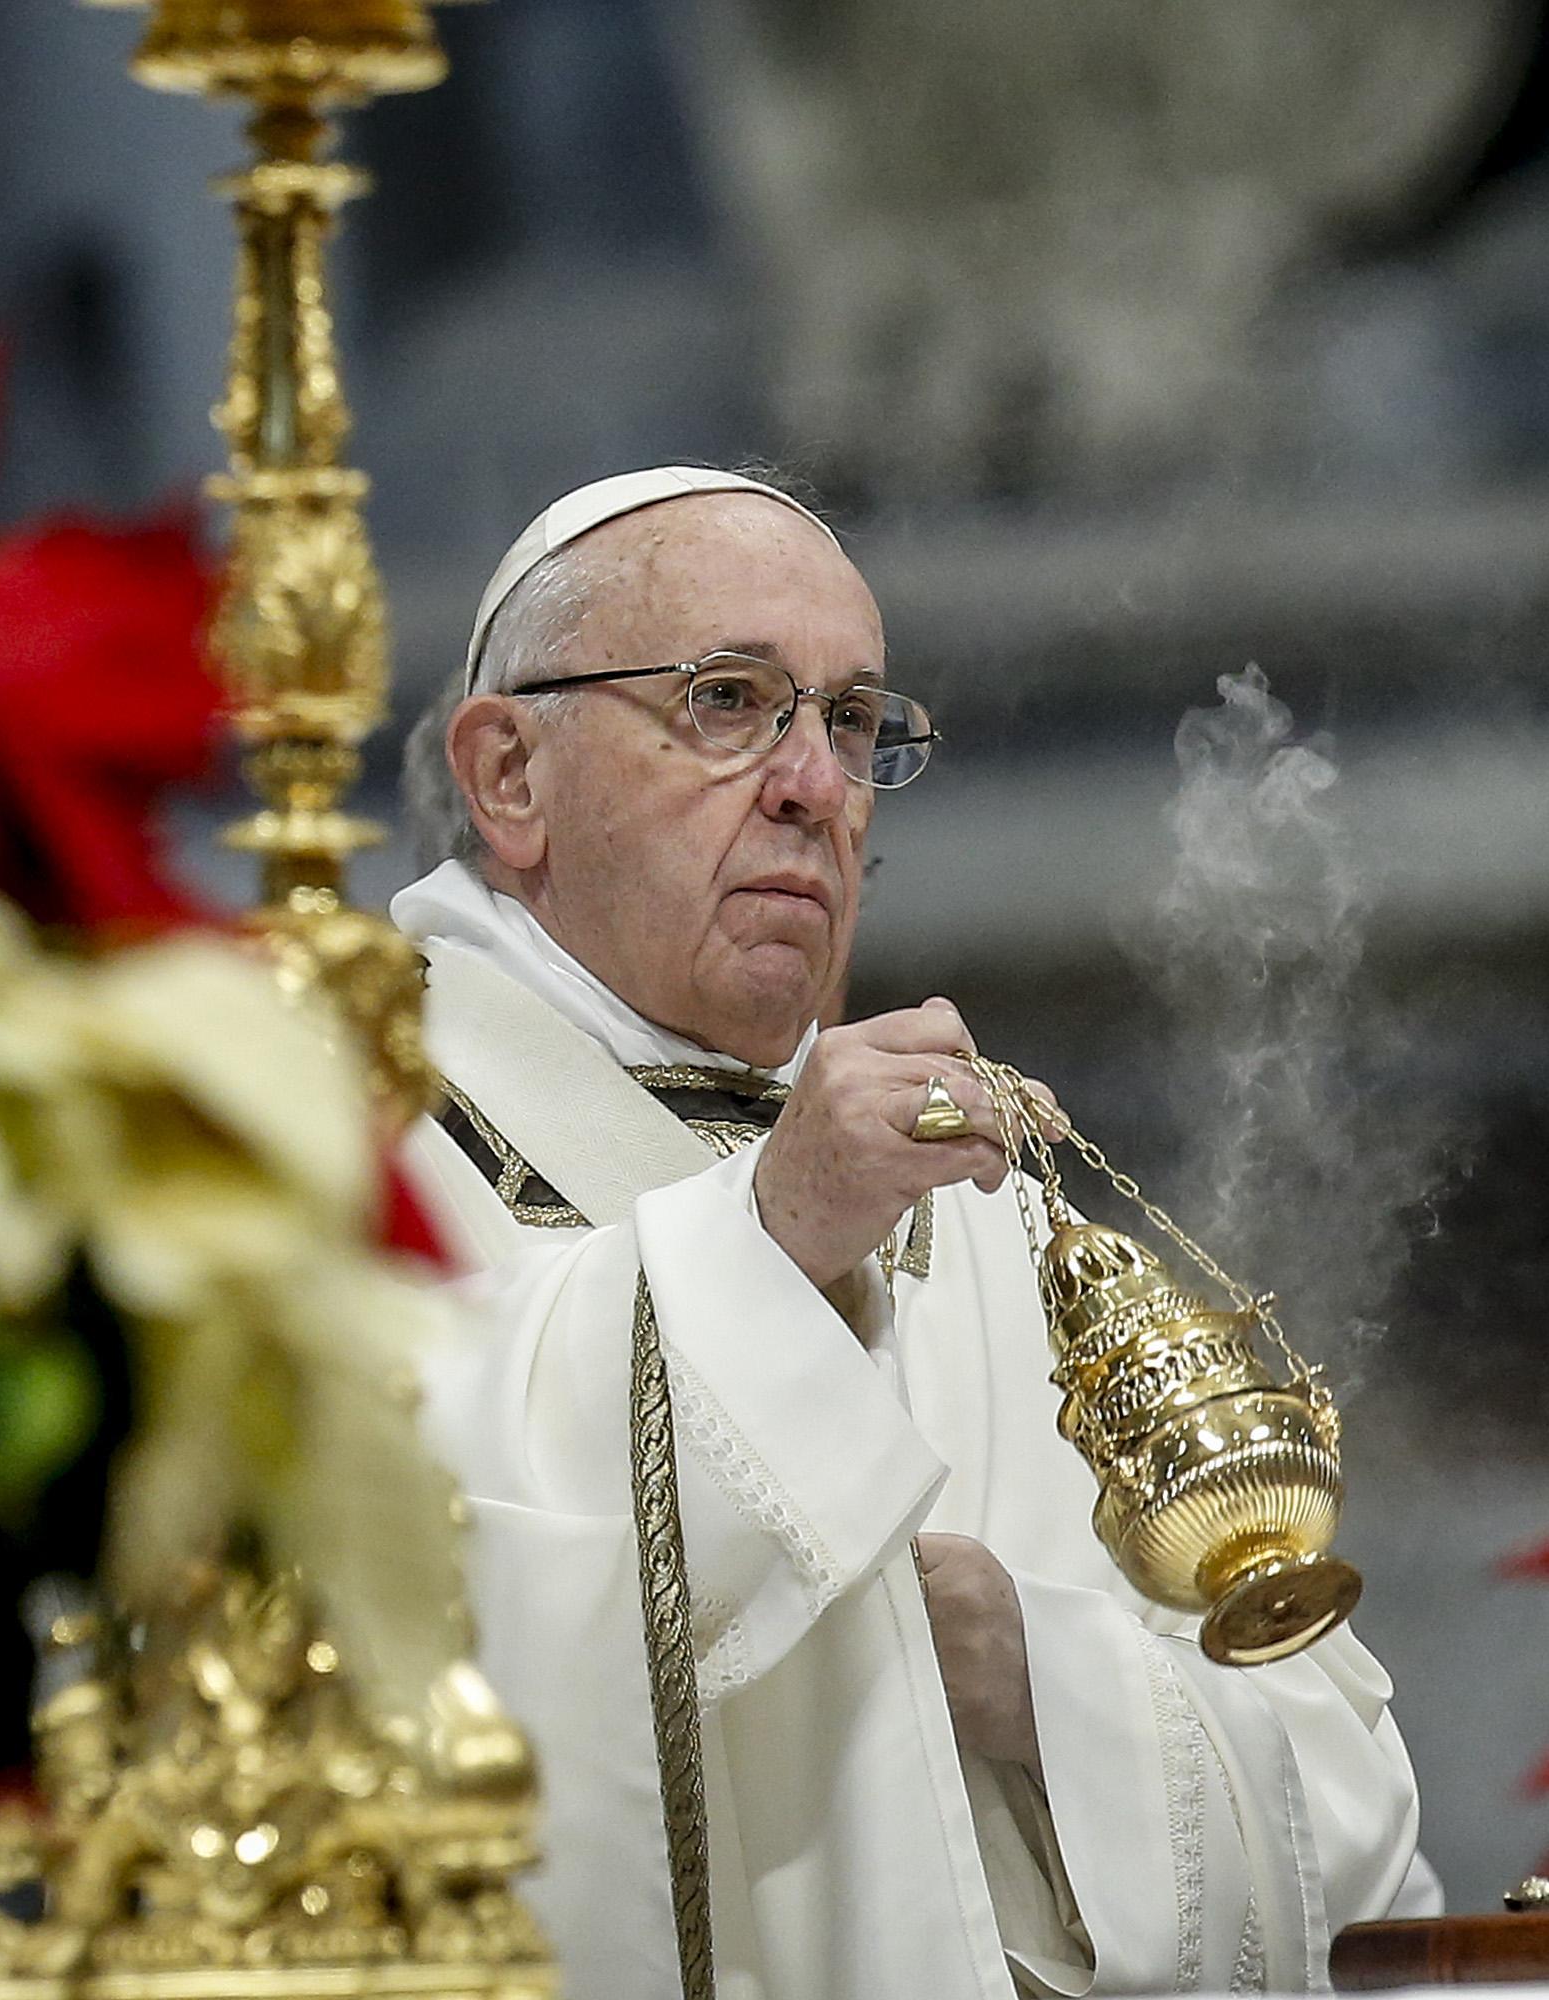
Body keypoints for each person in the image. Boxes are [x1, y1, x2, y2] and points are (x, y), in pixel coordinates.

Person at [394, 466, 1436, 2000]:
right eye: (731, 700)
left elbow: (1353, 1808)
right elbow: (374, 1619)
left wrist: (1044, 1686)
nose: (815, 782)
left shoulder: (989, 1214)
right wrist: (771, 1243)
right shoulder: (346, 1150)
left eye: (856, 722)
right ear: (510, 778)